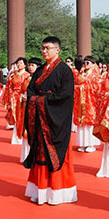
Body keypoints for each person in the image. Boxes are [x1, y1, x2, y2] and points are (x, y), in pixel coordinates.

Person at [23, 36, 77, 205]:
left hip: (56, 121)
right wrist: (36, 100)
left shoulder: (64, 71)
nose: (44, 51)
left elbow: (65, 95)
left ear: (57, 50)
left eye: (48, 48)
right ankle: (40, 191)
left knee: (56, 154)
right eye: (43, 48)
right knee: (40, 153)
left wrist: (41, 100)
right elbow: (31, 91)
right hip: (41, 119)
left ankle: (57, 193)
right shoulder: (39, 71)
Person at [73, 55, 101, 152]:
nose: (85, 64)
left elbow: (97, 88)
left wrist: (83, 87)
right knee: (81, 123)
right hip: (80, 101)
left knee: (89, 123)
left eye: (87, 63)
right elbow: (76, 83)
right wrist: (78, 88)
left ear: (93, 64)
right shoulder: (81, 73)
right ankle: (83, 144)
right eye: (84, 63)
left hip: (90, 102)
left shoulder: (95, 75)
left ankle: (91, 144)